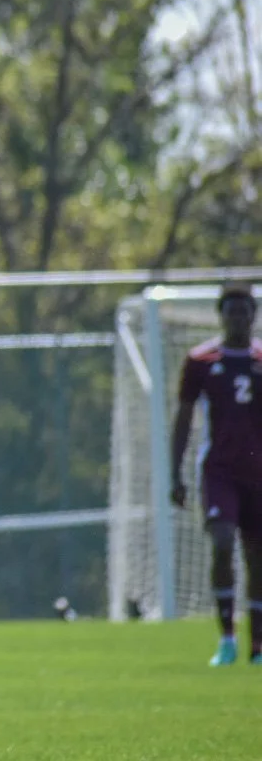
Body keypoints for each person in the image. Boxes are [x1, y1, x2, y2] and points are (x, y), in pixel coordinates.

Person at [172, 281, 262, 667]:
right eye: (232, 311)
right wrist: (175, 473)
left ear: (253, 315)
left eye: (245, 311)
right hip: (220, 472)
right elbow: (185, 416)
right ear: (221, 315)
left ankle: (257, 645)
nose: (238, 318)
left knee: (257, 557)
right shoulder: (201, 361)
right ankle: (227, 638)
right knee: (222, 542)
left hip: (258, 474)